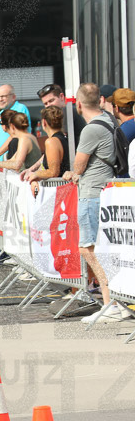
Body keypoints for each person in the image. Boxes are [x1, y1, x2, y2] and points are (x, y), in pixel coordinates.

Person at [65, 83, 135, 322]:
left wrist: (70, 173)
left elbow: (79, 166)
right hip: (103, 192)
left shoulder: (91, 130)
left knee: (90, 248)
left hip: (92, 193)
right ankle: (114, 300)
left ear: (78, 104)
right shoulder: (107, 119)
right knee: (100, 249)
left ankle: (111, 303)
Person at [20, 106, 68, 195]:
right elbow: (46, 156)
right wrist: (31, 169)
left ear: (44, 122)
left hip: (57, 193)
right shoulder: (63, 138)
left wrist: (35, 174)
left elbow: (53, 172)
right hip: (63, 190)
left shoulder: (51, 142)